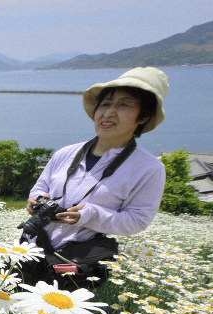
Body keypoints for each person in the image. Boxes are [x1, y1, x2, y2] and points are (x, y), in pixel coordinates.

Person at [19, 67, 169, 287]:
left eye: (124, 105)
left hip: (72, 263)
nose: (108, 113)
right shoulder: (66, 153)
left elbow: (137, 221)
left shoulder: (149, 168)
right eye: (105, 104)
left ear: (144, 117)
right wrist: (37, 200)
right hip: (28, 250)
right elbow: (40, 186)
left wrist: (89, 215)